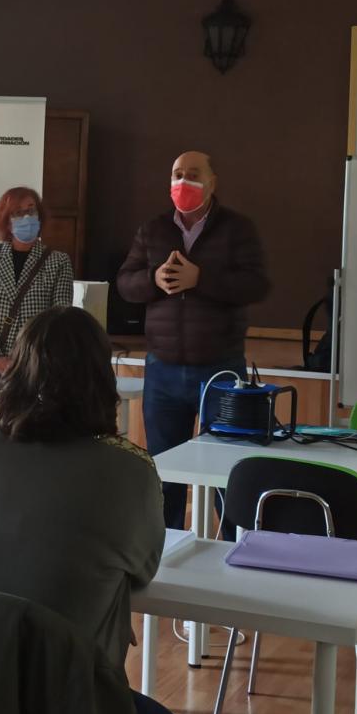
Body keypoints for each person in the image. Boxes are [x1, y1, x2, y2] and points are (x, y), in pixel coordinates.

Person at [0, 306, 173, 714]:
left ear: (18, 367)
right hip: (76, 697)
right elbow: (144, 570)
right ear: (101, 376)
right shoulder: (129, 466)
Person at [117, 151, 269, 532]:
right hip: (163, 371)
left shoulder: (237, 229)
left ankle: (232, 548)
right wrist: (154, 279)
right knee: (165, 474)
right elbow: (124, 283)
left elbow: (256, 285)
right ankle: (164, 550)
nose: (183, 181)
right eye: (177, 174)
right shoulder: (153, 230)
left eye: (193, 173)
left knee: (227, 474)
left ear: (212, 182)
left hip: (221, 370)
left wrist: (201, 279)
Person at [0, 186, 74, 381]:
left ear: (39, 216)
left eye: (31, 210)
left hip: (38, 369)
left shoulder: (58, 261)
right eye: (18, 213)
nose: (27, 217)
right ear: (7, 222)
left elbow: (59, 320)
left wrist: (33, 362)